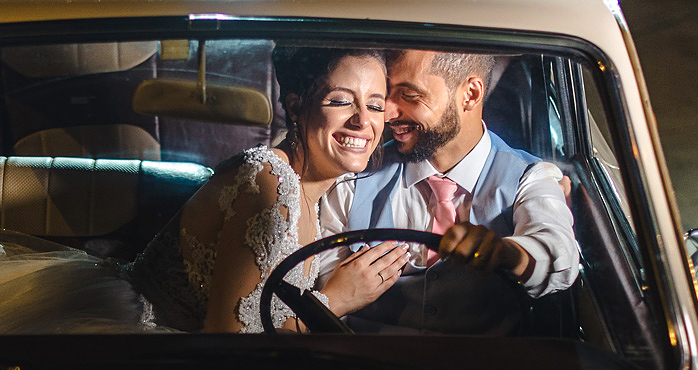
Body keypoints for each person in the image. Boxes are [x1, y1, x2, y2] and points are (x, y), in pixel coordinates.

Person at [128, 46, 410, 333]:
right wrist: (335, 300)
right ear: (296, 106)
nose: (362, 120)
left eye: (375, 106)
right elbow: (232, 338)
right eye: (340, 101)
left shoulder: (312, 192)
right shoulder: (268, 182)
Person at [318, 49, 581, 335]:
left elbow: (559, 256)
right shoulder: (354, 173)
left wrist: (505, 253)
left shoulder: (529, 177)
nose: (388, 113)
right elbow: (325, 298)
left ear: (469, 93)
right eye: (387, 93)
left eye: (410, 95)